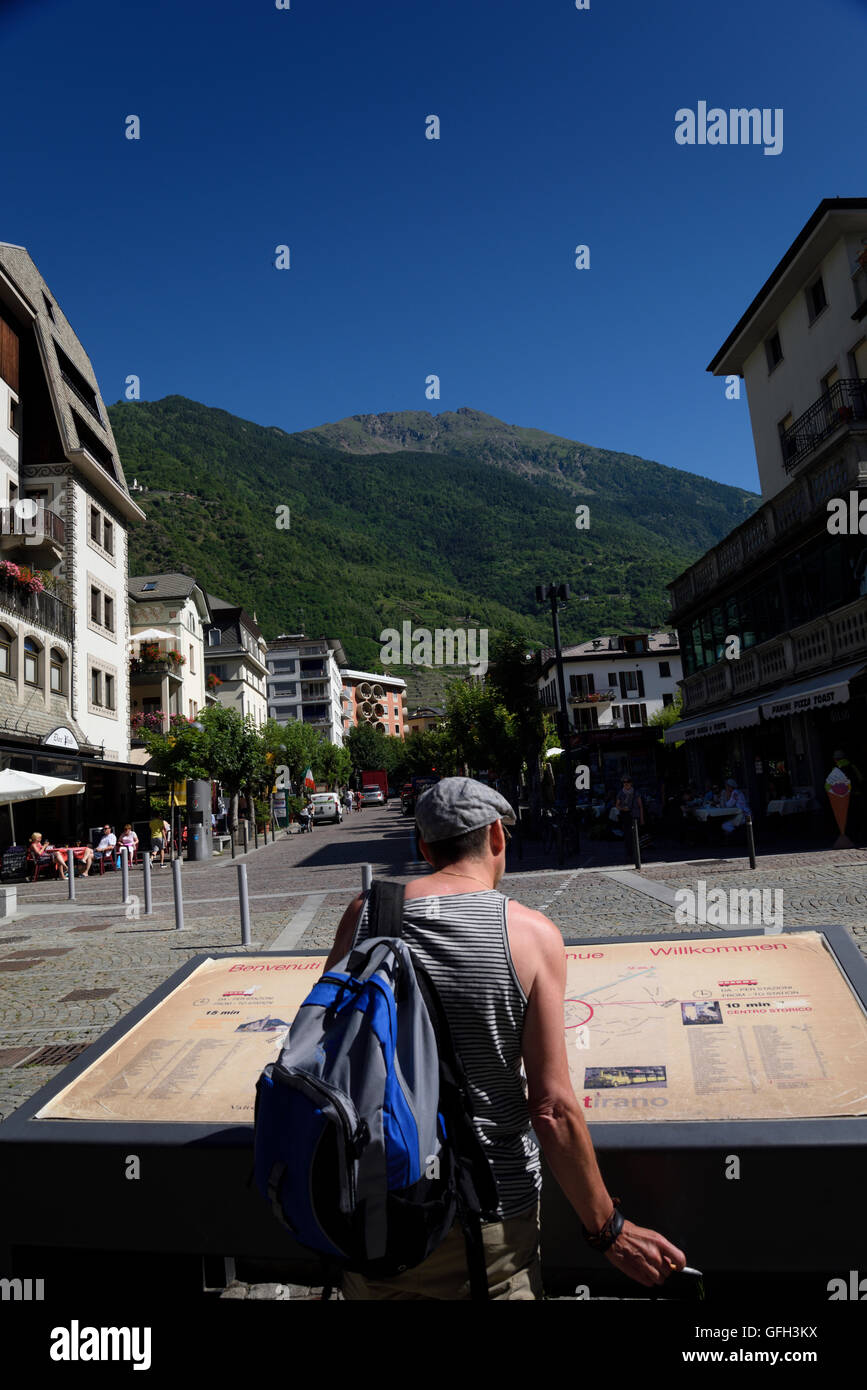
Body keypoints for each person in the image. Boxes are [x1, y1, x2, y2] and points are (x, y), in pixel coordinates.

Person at [324, 776, 685, 1300]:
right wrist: (609, 1230)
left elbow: (329, 1045)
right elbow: (553, 1109)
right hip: (490, 1215)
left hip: (377, 1213)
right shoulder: (529, 934)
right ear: (497, 836)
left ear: (423, 848)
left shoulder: (366, 915)